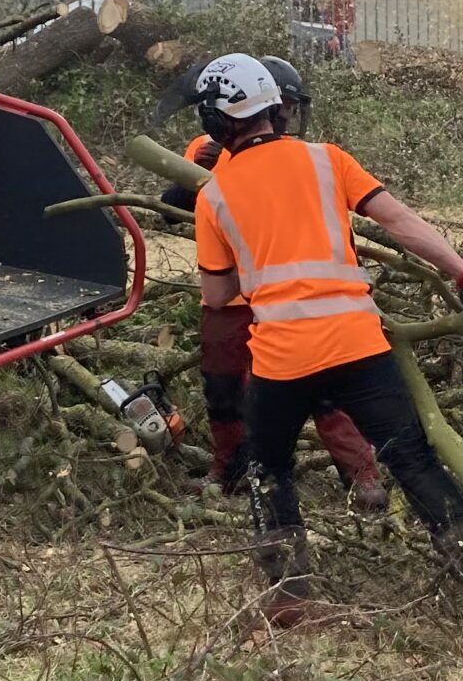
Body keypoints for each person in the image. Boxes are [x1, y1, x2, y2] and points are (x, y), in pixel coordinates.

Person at [185, 53, 463, 627]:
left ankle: (290, 598)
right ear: (277, 109)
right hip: (357, 348)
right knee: (411, 458)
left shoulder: (212, 197)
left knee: (269, 469)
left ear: (216, 124)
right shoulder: (327, 161)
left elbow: (217, 298)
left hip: (282, 360)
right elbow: (400, 222)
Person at [161, 57, 390, 513]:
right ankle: (230, 469)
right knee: (223, 386)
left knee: (324, 389)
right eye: (281, 105)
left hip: (293, 298)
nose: (283, 115)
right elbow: (171, 208)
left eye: (284, 107)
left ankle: (361, 474)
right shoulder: (210, 150)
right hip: (231, 295)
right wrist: (200, 176)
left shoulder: (309, 159)